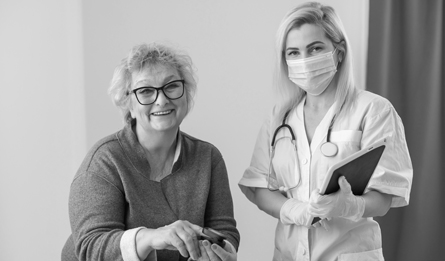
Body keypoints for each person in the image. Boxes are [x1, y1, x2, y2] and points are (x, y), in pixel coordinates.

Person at [238, 2, 412, 261]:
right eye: (293, 53)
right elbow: (259, 187)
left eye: (315, 48)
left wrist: (351, 205)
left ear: (338, 52)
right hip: (288, 254)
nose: (304, 60)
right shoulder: (279, 117)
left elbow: (385, 196)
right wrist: (293, 209)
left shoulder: (373, 110)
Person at [62, 43, 239, 261]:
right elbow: (90, 248)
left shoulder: (208, 157)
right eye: (145, 91)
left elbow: (224, 230)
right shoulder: (105, 161)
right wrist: (151, 237)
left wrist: (223, 252)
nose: (162, 99)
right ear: (128, 103)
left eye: (171, 86)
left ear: (187, 92)